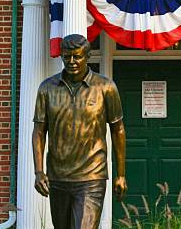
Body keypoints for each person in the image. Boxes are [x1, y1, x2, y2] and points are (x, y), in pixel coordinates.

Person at [32, 34, 127, 229]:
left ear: (88, 56)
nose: (72, 61)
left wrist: (121, 174)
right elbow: (39, 131)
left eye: (77, 56)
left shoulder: (106, 87)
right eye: (67, 57)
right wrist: (39, 171)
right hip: (58, 176)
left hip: (92, 175)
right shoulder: (47, 89)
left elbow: (118, 130)